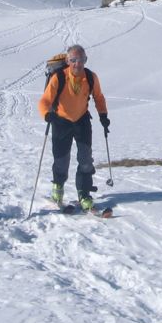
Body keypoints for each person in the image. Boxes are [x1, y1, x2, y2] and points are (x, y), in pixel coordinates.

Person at [38, 44, 109, 210]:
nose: (78, 63)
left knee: (85, 159)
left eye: (81, 59)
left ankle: (84, 194)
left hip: (82, 121)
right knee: (61, 159)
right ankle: (58, 188)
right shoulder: (59, 77)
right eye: (73, 60)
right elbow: (44, 101)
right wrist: (47, 114)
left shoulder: (91, 77)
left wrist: (103, 116)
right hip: (61, 121)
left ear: (85, 60)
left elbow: (98, 97)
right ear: (68, 61)